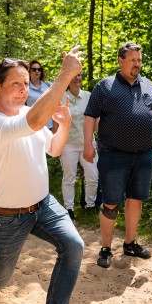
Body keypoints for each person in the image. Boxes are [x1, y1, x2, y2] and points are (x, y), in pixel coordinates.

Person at [0, 50, 84, 304]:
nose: (23, 89)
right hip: (7, 216)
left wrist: (63, 126)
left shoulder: (29, 112)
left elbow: (53, 149)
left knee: (74, 246)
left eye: (26, 84)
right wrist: (65, 75)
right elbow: (34, 124)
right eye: (16, 83)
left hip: (44, 205)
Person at [83, 41, 152, 268]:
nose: (137, 64)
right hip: (113, 155)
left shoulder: (148, 86)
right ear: (121, 60)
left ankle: (130, 244)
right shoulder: (105, 86)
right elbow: (91, 116)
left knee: (136, 199)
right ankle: (105, 248)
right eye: (133, 60)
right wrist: (88, 144)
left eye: (139, 60)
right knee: (111, 203)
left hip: (143, 155)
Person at [52, 72, 98, 221]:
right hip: (68, 145)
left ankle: (90, 205)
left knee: (93, 176)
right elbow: (55, 124)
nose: (78, 78)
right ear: (68, 79)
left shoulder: (88, 96)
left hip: (88, 143)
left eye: (80, 75)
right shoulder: (60, 98)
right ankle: (69, 209)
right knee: (69, 178)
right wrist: (55, 145)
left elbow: (95, 119)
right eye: (74, 75)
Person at [26, 60, 53, 129]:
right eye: (34, 69)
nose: (37, 71)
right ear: (29, 72)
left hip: (49, 127)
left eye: (39, 69)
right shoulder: (25, 88)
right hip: (32, 127)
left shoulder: (49, 86)